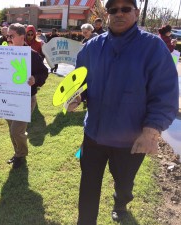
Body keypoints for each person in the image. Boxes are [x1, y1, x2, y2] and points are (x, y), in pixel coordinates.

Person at [69, 0, 179, 224]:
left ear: (136, 13)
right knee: (88, 184)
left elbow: (165, 94)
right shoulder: (91, 47)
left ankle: (121, 203)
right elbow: (81, 81)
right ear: (107, 14)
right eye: (113, 10)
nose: (119, 13)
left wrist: (150, 133)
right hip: (94, 135)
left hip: (131, 140)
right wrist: (78, 96)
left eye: (125, 9)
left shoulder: (153, 48)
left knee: (124, 183)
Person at [5, 23, 49, 169]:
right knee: (12, 129)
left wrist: (35, 79)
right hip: (8, 98)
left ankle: (21, 155)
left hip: (25, 98)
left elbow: (43, 72)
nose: (8, 38)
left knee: (16, 130)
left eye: (11, 36)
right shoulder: (3, 53)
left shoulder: (32, 55)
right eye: (7, 35)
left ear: (22, 37)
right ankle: (18, 153)